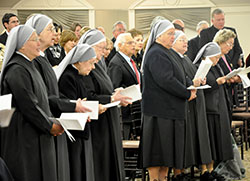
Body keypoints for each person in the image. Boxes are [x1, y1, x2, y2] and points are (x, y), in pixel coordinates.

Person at [25, 14, 88, 181]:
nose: (55, 33)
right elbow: (44, 97)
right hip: (44, 125)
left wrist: (72, 104)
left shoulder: (43, 58)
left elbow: (53, 92)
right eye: (50, 29)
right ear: (36, 33)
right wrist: (73, 105)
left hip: (53, 121)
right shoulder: (34, 61)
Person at [0, 25, 63, 181]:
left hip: (36, 131)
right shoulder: (17, 69)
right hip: (24, 137)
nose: (38, 44)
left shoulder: (29, 64)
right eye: (35, 40)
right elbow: (29, 105)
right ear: (22, 44)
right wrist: (49, 125)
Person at [140, 20, 196, 181]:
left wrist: (189, 86)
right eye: (170, 34)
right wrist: (186, 93)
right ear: (159, 36)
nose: (173, 37)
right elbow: (166, 80)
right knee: (157, 153)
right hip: (160, 113)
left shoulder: (165, 51)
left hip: (168, 111)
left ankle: (163, 178)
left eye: (173, 33)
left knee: (167, 155)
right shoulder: (157, 53)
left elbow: (176, 76)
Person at [78, 29, 131, 181]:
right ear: (90, 47)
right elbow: (89, 95)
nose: (104, 51)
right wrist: (111, 98)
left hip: (108, 118)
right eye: (101, 48)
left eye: (105, 48)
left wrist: (115, 93)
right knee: (101, 162)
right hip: (97, 123)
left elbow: (104, 88)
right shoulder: (87, 66)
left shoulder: (99, 63)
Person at [58, 44, 105, 181]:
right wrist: (95, 109)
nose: (93, 67)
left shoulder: (77, 75)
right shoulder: (68, 77)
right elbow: (71, 105)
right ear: (79, 61)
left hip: (81, 130)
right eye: (91, 63)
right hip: (73, 133)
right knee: (76, 171)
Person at [170, 30, 213, 180]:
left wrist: (201, 79)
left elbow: (192, 76)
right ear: (173, 42)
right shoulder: (172, 58)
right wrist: (192, 83)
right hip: (184, 103)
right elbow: (177, 80)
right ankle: (180, 172)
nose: (186, 42)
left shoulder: (185, 58)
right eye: (182, 40)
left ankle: (191, 170)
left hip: (194, 101)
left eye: (186, 39)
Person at [193, 42, 234, 180]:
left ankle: (211, 169)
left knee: (214, 142)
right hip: (207, 109)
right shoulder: (200, 67)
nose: (217, 60)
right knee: (207, 141)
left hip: (216, 107)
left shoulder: (214, 67)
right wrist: (219, 82)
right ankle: (204, 169)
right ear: (208, 56)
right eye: (215, 57)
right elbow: (207, 86)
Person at [108, 33, 141, 140]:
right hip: (126, 113)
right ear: (120, 45)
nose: (133, 45)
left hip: (135, 109)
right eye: (129, 43)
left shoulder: (131, 60)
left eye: (133, 42)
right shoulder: (116, 63)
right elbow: (114, 87)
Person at [213, 29, 241, 124]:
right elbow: (217, 77)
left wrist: (236, 78)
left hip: (229, 95)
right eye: (229, 44)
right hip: (220, 98)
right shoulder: (215, 57)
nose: (231, 47)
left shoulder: (226, 56)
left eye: (233, 44)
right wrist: (228, 80)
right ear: (221, 41)